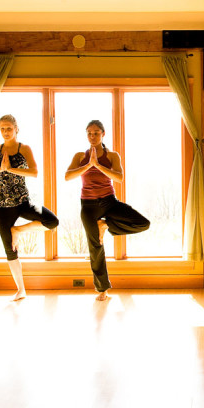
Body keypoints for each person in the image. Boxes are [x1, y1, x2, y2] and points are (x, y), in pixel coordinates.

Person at [0, 114, 59, 301]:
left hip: (23, 201)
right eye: (2, 129)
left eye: (9, 128)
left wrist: (10, 169)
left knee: (52, 221)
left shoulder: (24, 149)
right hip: (1, 205)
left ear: (16, 129)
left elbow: (34, 172)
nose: (5, 132)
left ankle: (18, 230)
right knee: (10, 250)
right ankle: (21, 289)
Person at [65, 120, 150, 301]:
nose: (92, 136)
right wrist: (89, 164)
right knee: (95, 248)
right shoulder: (80, 156)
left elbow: (119, 177)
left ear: (103, 134)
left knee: (143, 223)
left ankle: (105, 225)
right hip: (88, 206)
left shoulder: (112, 156)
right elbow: (67, 176)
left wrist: (98, 165)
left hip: (109, 202)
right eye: (89, 133)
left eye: (96, 133)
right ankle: (102, 289)